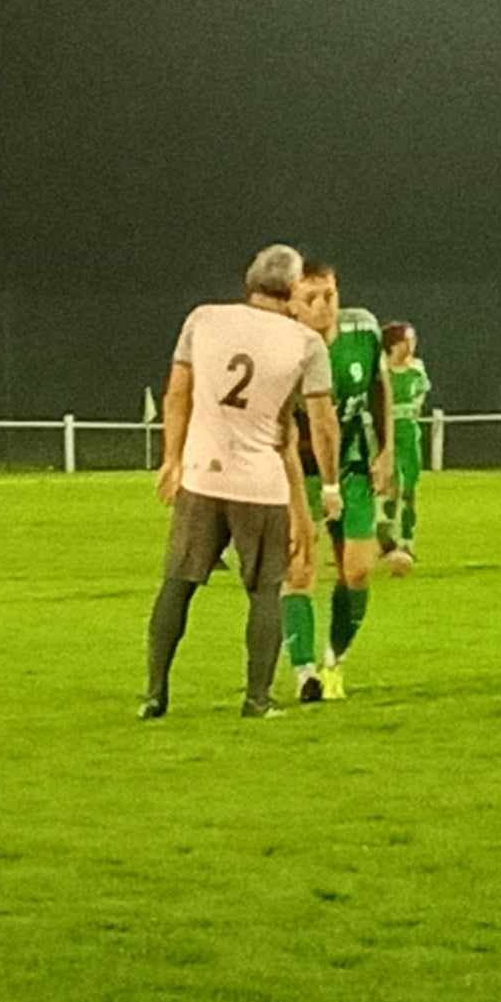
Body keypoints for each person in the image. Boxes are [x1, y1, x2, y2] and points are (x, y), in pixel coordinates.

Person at [140, 245, 340, 721]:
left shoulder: (203, 319)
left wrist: (172, 459)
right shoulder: (305, 343)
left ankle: (154, 694)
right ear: (292, 290)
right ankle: (257, 699)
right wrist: (327, 485)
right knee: (266, 592)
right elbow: (322, 421)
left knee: (177, 585)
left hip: (202, 475)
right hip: (260, 485)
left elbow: (177, 394)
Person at [282, 264, 394, 703]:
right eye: (310, 298)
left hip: (353, 467)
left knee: (359, 569)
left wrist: (385, 451)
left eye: (328, 295)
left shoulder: (363, 329)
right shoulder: (283, 347)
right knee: (299, 566)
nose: (322, 306)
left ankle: (334, 658)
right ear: (292, 304)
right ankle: (304, 672)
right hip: (299, 471)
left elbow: (380, 388)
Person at [376, 322, 430, 568]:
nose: (410, 346)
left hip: (409, 434)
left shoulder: (417, 370)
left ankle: (407, 540)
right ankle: (385, 538)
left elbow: (419, 399)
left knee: (409, 488)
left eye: (413, 340)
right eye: (405, 341)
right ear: (392, 344)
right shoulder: (382, 371)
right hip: (388, 434)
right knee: (389, 488)